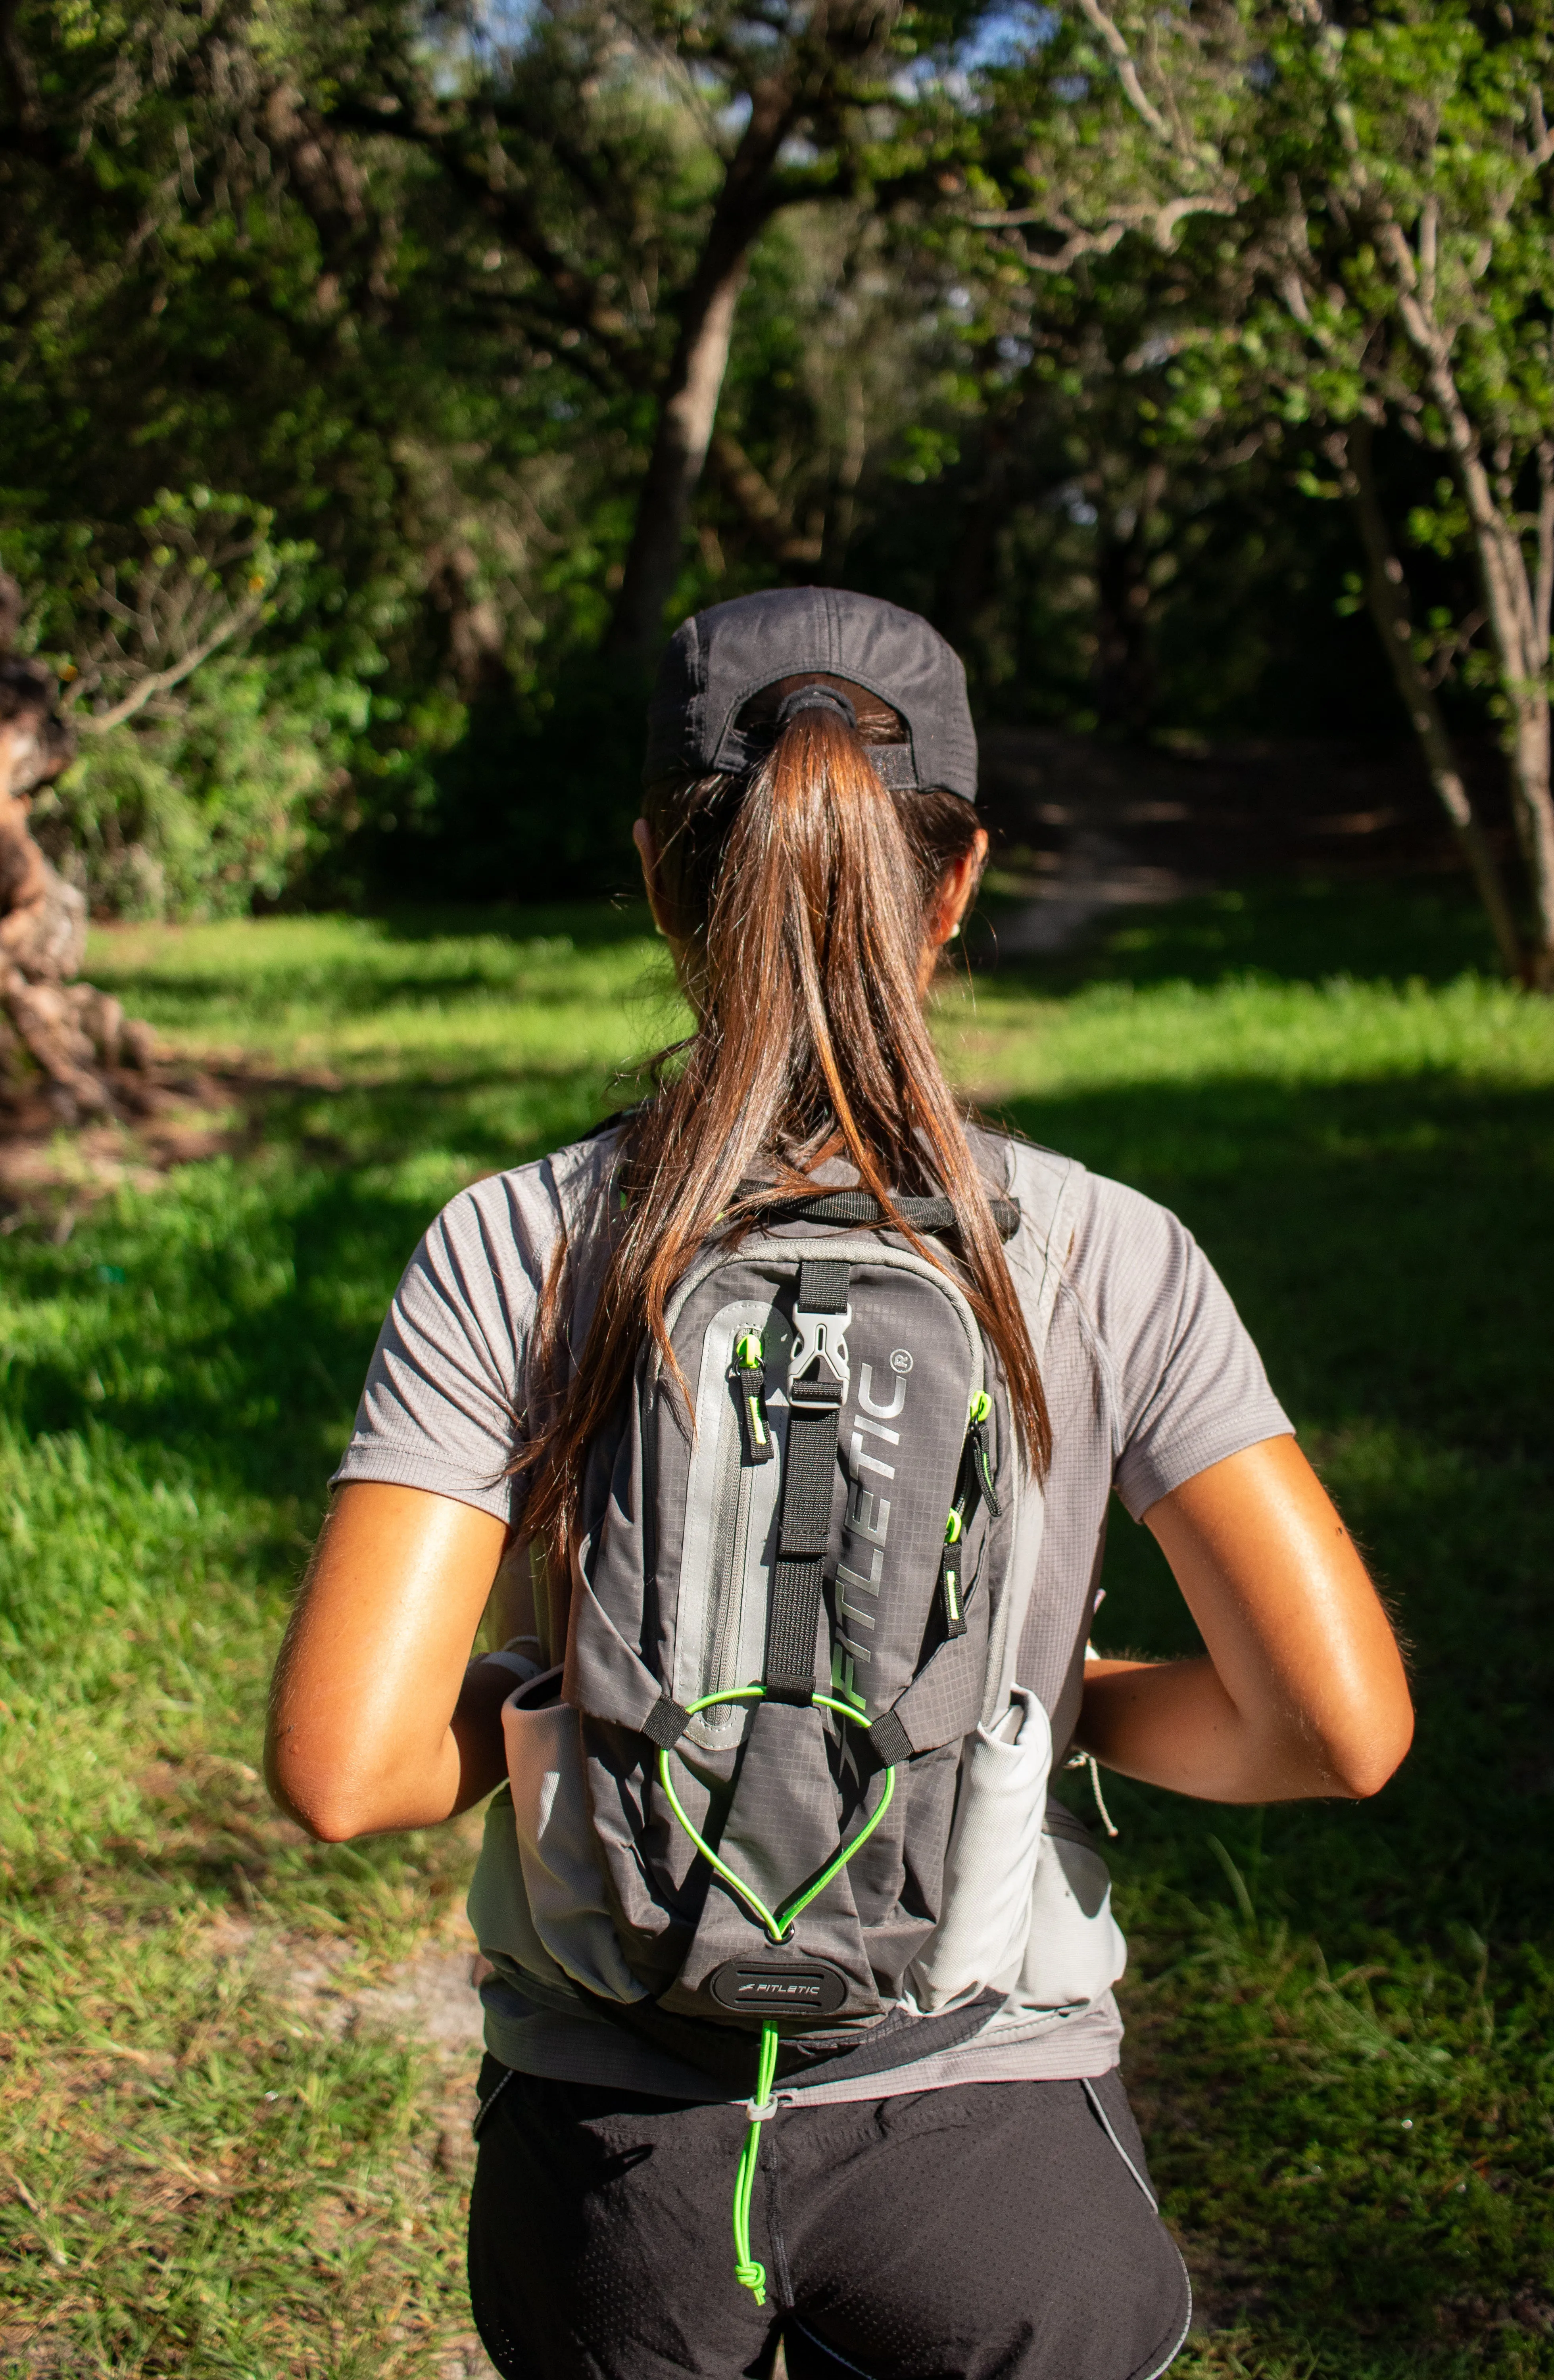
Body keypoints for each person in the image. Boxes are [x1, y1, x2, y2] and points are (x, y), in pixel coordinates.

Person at [266, 588, 1414, 2380]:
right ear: (954, 886)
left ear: (658, 874)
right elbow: (1334, 1734)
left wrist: (562, 1708)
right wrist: (1066, 1709)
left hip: (618, 2173)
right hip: (985, 2152)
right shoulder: (1108, 1252)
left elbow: (343, 1771)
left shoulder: (519, 1243)